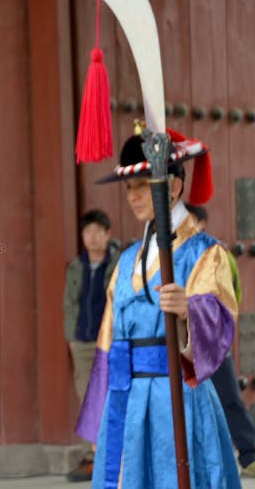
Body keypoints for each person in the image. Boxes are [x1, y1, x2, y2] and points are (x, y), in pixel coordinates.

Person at [75, 128, 241, 488]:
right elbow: (107, 344)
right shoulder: (127, 260)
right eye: (129, 188)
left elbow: (222, 325)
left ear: (174, 185)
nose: (132, 197)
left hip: (180, 395)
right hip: (128, 400)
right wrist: (101, 414)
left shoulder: (205, 253)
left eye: (142, 185)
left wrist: (190, 309)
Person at [185, 203, 255, 476]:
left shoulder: (217, 253)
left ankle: (249, 453)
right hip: (183, 344)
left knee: (229, 398)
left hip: (211, 343)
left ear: (201, 224)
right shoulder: (173, 255)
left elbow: (231, 297)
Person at [63, 209, 120, 482]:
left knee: (114, 391)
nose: (93, 236)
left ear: (108, 234)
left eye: (98, 231)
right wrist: (72, 337)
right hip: (84, 341)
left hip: (112, 340)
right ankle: (92, 455)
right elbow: (69, 303)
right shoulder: (77, 266)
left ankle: (114, 452)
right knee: (87, 395)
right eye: (88, 232)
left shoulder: (119, 262)